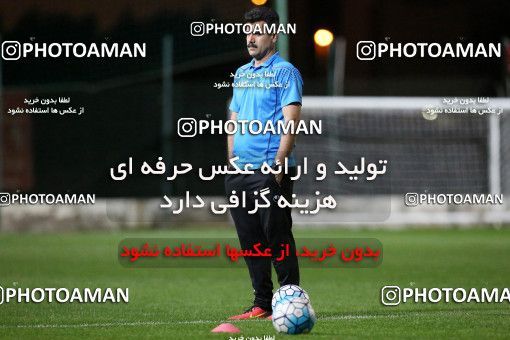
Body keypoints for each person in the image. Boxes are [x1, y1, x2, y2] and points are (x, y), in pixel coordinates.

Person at [225, 6, 303, 320]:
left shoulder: (285, 71)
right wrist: (231, 160)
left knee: (278, 236)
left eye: (258, 31)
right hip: (240, 171)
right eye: (248, 31)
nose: (251, 37)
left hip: (269, 169)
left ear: (274, 34)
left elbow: (291, 120)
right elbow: (234, 118)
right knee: (250, 240)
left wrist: (279, 162)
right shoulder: (242, 74)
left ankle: (290, 301)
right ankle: (261, 303)